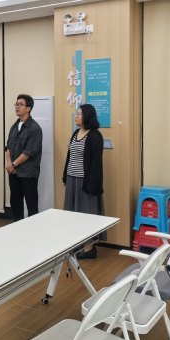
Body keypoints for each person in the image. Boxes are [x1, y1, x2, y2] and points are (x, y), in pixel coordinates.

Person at [62, 104, 104, 259]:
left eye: (79, 114)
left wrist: (92, 185)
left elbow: (96, 164)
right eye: (77, 113)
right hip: (72, 179)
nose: (76, 116)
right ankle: (77, 245)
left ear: (87, 116)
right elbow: (70, 156)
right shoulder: (75, 133)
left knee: (87, 215)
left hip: (85, 182)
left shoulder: (95, 136)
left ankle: (89, 249)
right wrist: (65, 176)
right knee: (73, 214)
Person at [6, 94, 43, 221]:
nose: (17, 107)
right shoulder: (14, 126)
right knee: (15, 203)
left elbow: (28, 152)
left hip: (28, 173)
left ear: (28, 108)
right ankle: (17, 228)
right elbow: (8, 147)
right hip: (13, 172)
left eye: (21, 104)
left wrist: (13, 165)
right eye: (16, 104)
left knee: (31, 205)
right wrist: (9, 163)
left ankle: (33, 231)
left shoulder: (35, 128)